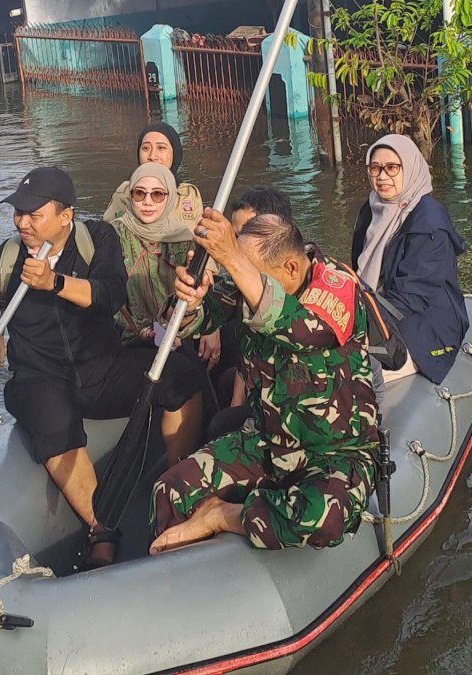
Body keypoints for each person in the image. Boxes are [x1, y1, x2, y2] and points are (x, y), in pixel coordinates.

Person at [0, 166, 204, 569]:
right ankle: (101, 528)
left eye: (34, 215)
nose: (22, 223)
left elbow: (110, 294)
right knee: (53, 420)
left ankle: (177, 488)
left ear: (65, 216)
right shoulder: (0, 263)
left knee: (181, 376)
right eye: (18, 213)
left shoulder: (98, 239)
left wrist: (54, 282)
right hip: (40, 378)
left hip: (100, 367)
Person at [149, 210, 379, 553]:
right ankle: (183, 570)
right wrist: (189, 303)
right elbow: (196, 318)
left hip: (334, 453)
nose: (240, 281)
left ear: (291, 269)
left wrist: (232, 256)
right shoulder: (247, 281)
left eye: (245, 270)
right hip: (267, 442)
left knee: (319, 518)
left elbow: (303, 331)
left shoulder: (336, 287)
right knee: (169, 490)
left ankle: (221, 516)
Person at [351, 134, 469, 386]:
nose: (382, 176)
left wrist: (357, 324)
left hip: (424, 324)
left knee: (349, 373)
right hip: (374, 310)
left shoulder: (429, 223)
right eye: (375, 168)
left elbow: (413, 297)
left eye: (392, 168)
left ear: (410, 167)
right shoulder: (371, 210)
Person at [103, 121, 221, 369]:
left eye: (161, 148)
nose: (152, 155)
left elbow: (204, 267)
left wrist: (211, 326)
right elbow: (106, 251)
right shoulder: (124, 197)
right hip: (135, 316)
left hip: (181, 308)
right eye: (146, 148)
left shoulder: (188, 197)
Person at [209, 186, 295, 435]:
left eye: (244, 235)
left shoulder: (303, 284)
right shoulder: (241, 284)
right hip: (260, 380)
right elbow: (247, 352)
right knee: (222, 385)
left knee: (220, 424)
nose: (235, 246)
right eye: (234, 235)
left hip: (294, 406)